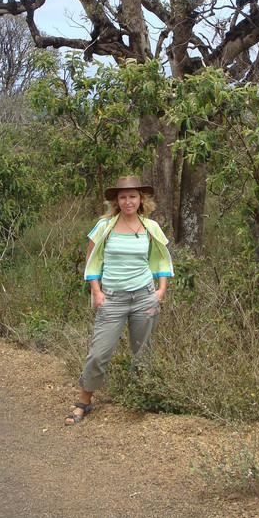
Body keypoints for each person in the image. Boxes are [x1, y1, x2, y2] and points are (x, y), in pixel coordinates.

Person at [64, 175, 174, 425]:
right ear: (116, 200)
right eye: (123, 197)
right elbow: (92, 260)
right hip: (112, 298)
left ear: (141, 199)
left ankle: (141, 401)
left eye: (133, 196)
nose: (128, 201)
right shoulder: (105, 226)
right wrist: (97, 291)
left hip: (144, 297)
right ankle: (84, 402)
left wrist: (161, 290)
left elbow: (160, 259)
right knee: (98, 353)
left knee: (142, 351)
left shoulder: (150, 227)